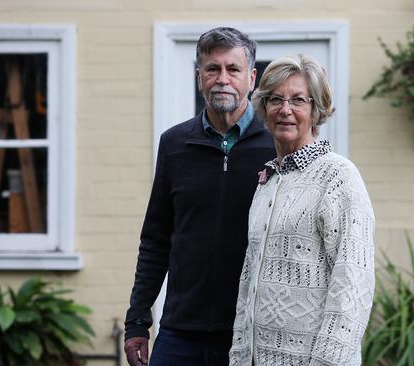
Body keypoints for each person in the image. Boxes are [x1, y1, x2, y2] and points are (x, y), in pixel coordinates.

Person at [123, 27, 275, 366]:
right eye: (212, 69)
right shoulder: (175, 144)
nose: (222, 79)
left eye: (233, 69)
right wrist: (136, 321)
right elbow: (155, 239)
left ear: (251, 78)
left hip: (251, 334)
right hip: (180, 333)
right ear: (199, 76)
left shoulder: (275, 146)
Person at [228, 54, 375, 365]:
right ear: (264, 109)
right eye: (276, 100)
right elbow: (248, 281)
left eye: (298, 100)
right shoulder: (267, 181)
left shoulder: (338, 177)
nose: (285, 110)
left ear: (316, 109)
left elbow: (353, 283)